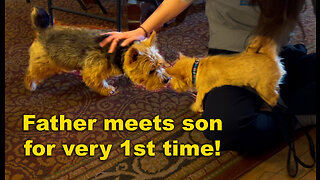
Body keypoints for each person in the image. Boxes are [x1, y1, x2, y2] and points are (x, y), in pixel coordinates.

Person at [100, 0, 315, 163]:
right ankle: (295, 116)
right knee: (224, 129)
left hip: (277, 52)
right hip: (227, 57)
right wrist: (142, 30)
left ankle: (291, 80)